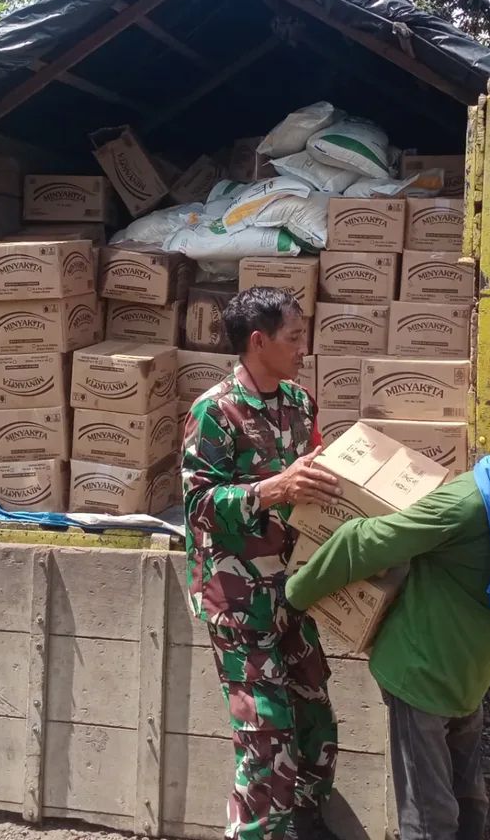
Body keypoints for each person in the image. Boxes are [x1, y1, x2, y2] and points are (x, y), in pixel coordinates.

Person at [285, 411, 490, 840]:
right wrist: (294, 597)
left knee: (470, 803)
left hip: (465, 682)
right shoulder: (470, 506)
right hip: (421, 679)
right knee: (431, 819)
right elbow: (361, 540)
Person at [181, 286, 344, 840]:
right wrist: (271, 490)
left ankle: (303, 819)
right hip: (237, 598)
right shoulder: (214, 412)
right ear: (259, 341)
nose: (305, 347)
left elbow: (314, 475)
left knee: (315, 716)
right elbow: (198, 505)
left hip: (295, 588)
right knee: (264, 736)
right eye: (294, 337)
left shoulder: (299, 403)